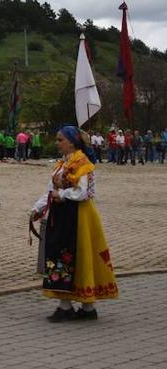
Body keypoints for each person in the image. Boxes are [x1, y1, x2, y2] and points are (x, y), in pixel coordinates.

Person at [30, 125, 118, 321]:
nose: (57, 143)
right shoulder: (63, 164)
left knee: (78, 255)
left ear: (72, 141)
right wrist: (38, 208)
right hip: (62, 214)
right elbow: (49, 190)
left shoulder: (82, 163)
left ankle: (78, 306)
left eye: (60, 140)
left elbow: (84, 192)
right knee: (62, 255)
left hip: (79, 216)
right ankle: (75, 306)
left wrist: (60, 194)